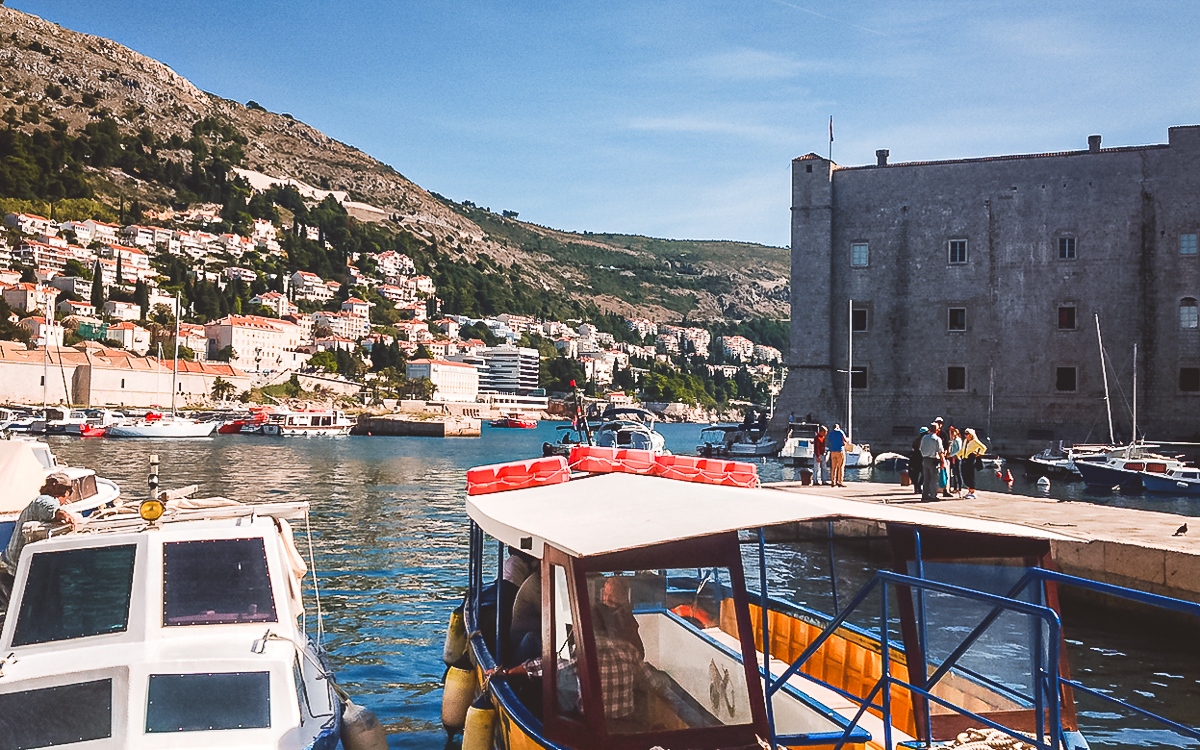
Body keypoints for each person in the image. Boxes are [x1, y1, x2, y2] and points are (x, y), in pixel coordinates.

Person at [0, 473, 82, 611]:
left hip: (15, 569)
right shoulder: (44, 500)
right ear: (66, 491)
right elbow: (50, 509)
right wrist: (64, 516)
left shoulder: (43, 501)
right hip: (11, 572)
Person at [959, 428, 988, 499]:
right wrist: (958, 455)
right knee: (964, 474)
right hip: (964, 458)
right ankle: (969, 490)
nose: (965, 436)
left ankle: (973, 491)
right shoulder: (966, 441)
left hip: (971, 458)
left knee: (970, 475)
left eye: (967, 434)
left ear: (971, 435)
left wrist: (978, 453)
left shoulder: (975, 441)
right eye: (965, 434)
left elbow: (983, 447)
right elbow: (963, 449)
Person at [919, 423, 944, 502]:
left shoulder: (924, 438)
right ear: (937, 430)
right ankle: (933, 495)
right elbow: (940, 452)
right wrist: (943, 462)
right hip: (933, 460)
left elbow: (921, 448)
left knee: (926, 478)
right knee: (933, 478)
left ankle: (925, 495)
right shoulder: (937, 439)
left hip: (925, 459)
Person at [946, 426, 963, 497]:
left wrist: (951, 455)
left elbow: (959, 450)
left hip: (957, 457)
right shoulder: (952, 440)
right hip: (952, 457)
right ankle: (955, 487)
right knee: (953, 473)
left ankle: (960, 488)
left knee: (958, 473)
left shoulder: (958, 440)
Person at [909, 428, 927, 494]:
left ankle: (916, 487)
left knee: (916, 474)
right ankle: (919, 485)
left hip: (915, 459)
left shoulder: (916, 440)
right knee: (923, 473)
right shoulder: (924, 441)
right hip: (921, 458)